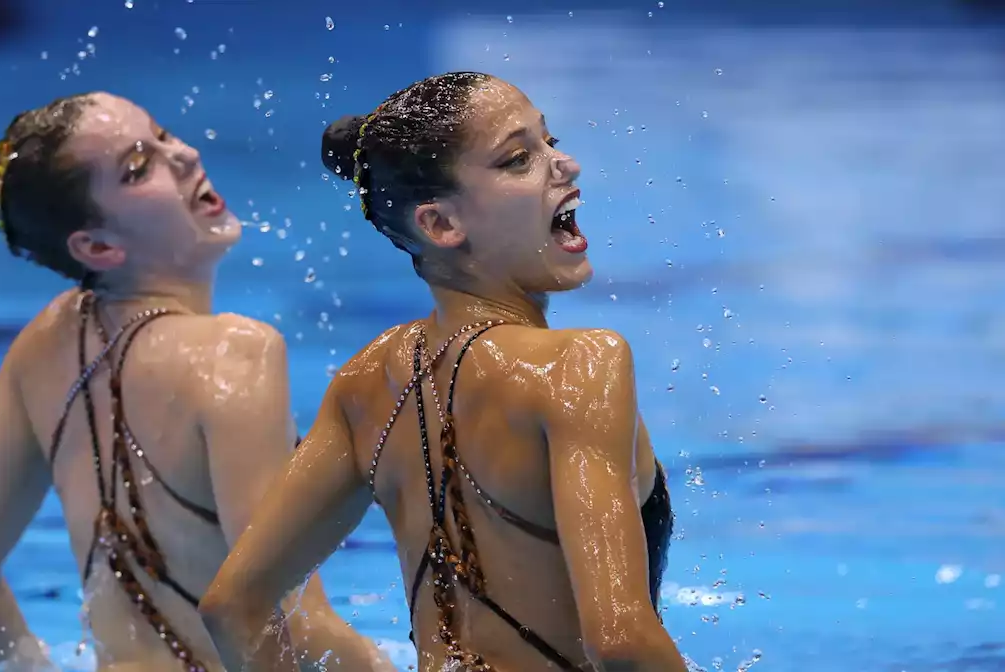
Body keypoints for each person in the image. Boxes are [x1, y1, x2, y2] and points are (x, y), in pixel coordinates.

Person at [199, 72, 686, 671]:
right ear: (441, 225)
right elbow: (620, 639)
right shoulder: (581, 365)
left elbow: (232, 605)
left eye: (549, 140)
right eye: (517, 159)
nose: (566, 165)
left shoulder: (364, 381)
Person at [0, 92, 392, 672]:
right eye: (138, 167)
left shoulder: (42, 344)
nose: (187, 156)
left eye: (165, 135)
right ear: (97, 246)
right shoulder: (235, 355)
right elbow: (289, 615)